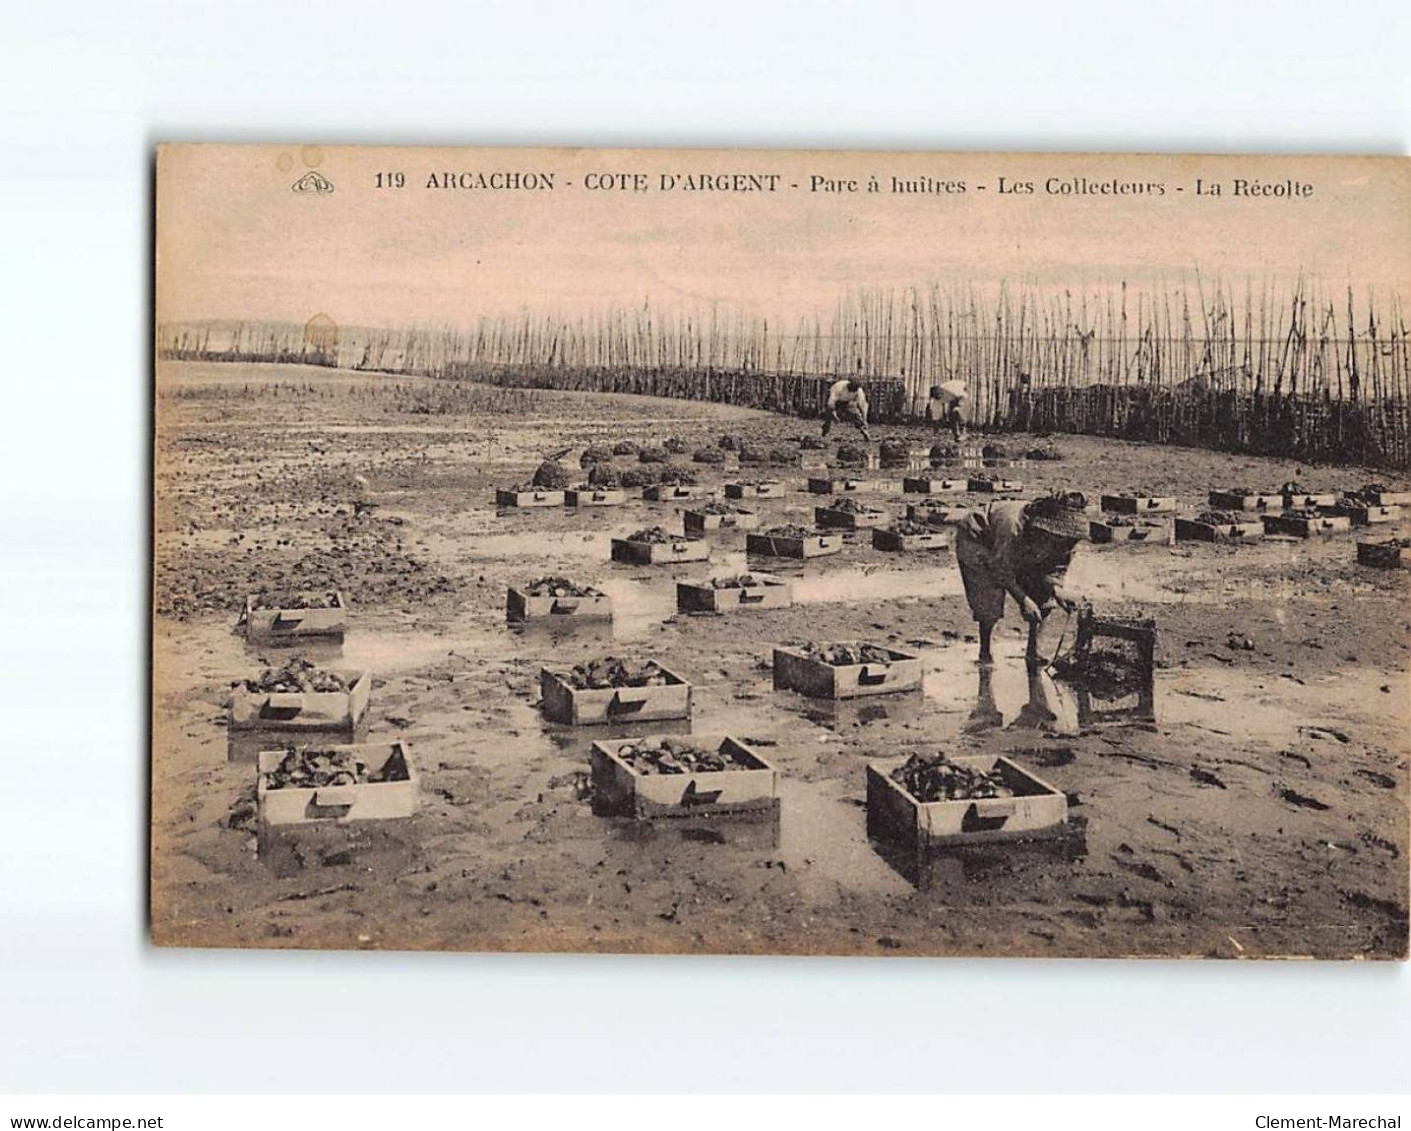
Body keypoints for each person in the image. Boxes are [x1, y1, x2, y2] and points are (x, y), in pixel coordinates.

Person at [954, 491, 1089, 668]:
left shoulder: (1064, 540)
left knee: (1044, 597)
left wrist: (1057, 591)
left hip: (1016, 550)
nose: (1063, 543)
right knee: (989, 600)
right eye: (1058, 538)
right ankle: (985, 651)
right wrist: (1023, 599)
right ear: (1045, 529)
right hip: (978, 539)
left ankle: (1033, 650)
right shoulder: (1012, 526)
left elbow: (1056, 569)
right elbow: (1000, 568)